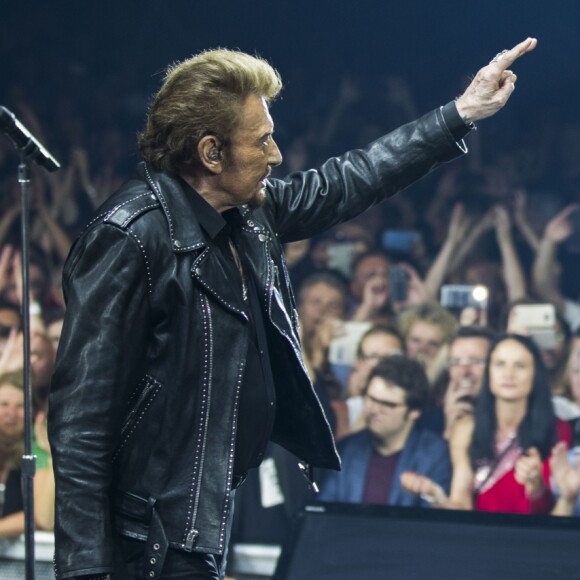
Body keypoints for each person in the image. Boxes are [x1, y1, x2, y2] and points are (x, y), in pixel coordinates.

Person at [47, 39, 537, 579]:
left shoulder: (247, 213)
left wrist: (460, 113)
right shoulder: (130, 237)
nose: (276, 156)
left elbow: (350, 179)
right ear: (211, 153)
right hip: (141, 539)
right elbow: (80, 424)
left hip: (194, 519)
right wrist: (85, 569)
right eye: (262, 141)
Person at [402, 334, 572, 514]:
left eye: (520, 366)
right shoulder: (467, 428)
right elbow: (461, 505)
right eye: (500, 364)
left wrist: (537, 489)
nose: (508, 374)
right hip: (478, 537)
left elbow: (558, 511)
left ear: (535, 374)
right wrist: (435, 496)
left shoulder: (558, 430)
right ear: (488, 372)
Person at [318, 356, 451, 506]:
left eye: (387, 404)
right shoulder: (346, 450)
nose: (374, 409)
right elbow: (325, 513)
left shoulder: (436, 455)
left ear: (414, 411)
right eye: (371, 399)